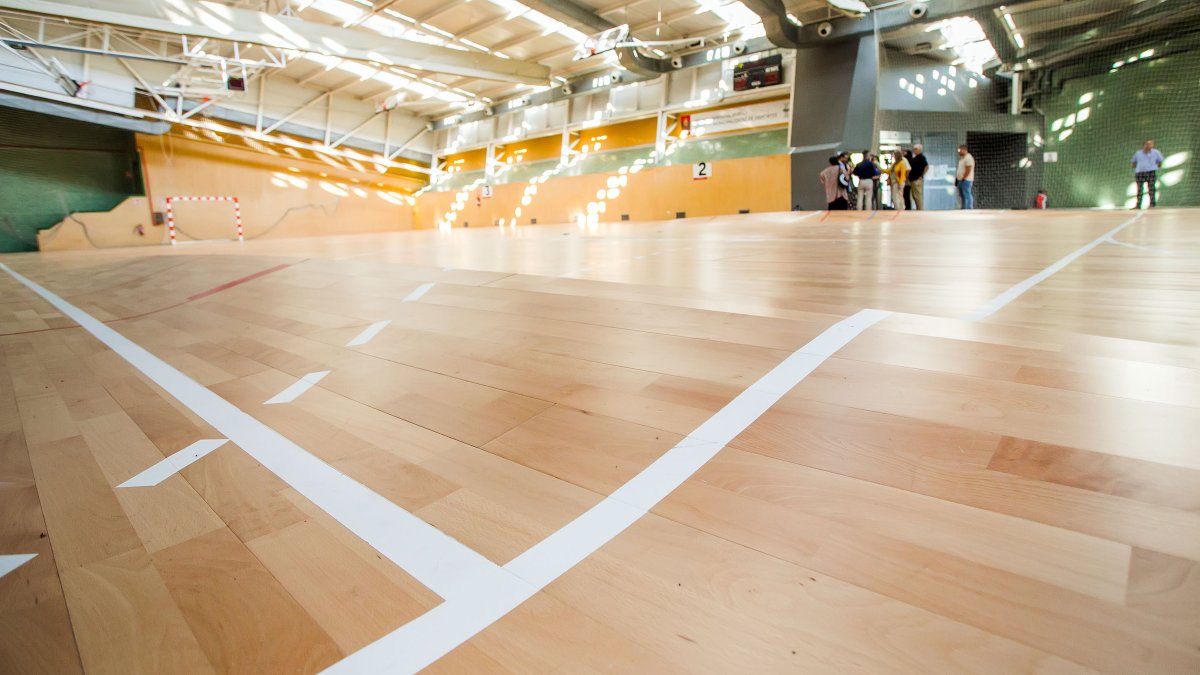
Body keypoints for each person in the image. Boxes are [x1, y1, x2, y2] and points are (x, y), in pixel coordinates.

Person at [1131, 139, 1164, 209]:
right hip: (1140, 173)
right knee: (1139, 189)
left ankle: (1152, 204)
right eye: (1147, 144)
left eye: (1151, 144)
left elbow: (1160, 161)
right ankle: (1138, 205)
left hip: (1151, 172)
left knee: (1151, 189)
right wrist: (1138, 167)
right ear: (1144, 145)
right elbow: (1133, 162)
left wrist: (1156, 167)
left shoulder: (1156, 152)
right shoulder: (1138, 153)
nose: (1149, 145)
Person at [908, 144, 930, 209]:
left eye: (915, 149)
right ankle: (918, 208)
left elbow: (927, 167)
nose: (914, 150)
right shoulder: (915, 158)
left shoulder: (922, 158)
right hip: (912, 179)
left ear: (919, 150)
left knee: (918, 196)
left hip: (917, 179)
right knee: (914, 196)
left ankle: (920, 209)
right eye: (914, 149)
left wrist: (921, 175)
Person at [956, 144, 975, 209]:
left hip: (966, 180)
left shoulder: (968, 157)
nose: (958, 152)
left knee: (967, 194)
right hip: (960, 180)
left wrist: (964, 177)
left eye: (959, 150)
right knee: (962, 195)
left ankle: (969, 208)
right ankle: (963, 208)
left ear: (964, 150)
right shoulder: (962, 159)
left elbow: (969, 169)